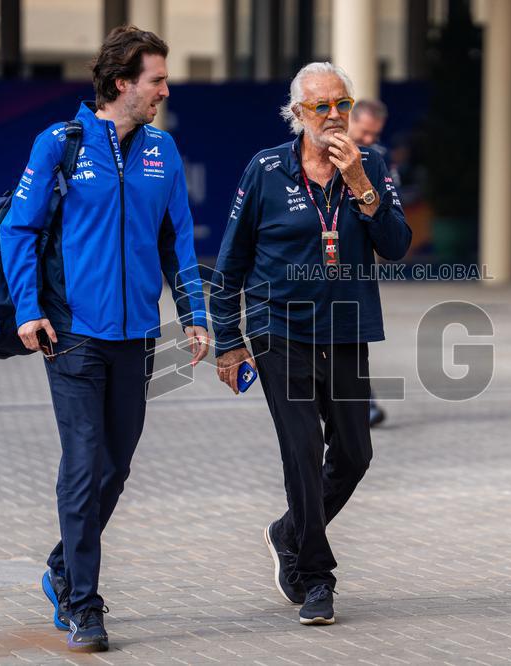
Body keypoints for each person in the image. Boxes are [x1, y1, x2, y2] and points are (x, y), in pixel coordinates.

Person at [0, 26, 209, 652]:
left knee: (115, 466)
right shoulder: (59, 144)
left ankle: (63, 566)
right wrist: (29, 311)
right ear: (122, 83)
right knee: (85, 462)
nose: (165, 91)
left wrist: (196, 314)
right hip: (72, 336)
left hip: (137, 335)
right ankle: (83, 603)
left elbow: (179, 243)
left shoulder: (162, 151)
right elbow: (19, 229)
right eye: (157, 81)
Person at [210, 62, 411, 625]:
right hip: (281, 330)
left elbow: (396, 246)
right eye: (320, 107)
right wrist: (229, 340)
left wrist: (363, 190)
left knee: (354, 453)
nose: (333, 117)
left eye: (341, 104)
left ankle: (288, 532)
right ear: (296, 113)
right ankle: (316, 576)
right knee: (301, 453)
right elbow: (230, 263)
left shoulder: (368, 165)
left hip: (347, 330)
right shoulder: (267, 169)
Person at [348, 99, 397, 427]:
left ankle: (362, 403)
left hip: (358, 266)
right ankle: (358, 403)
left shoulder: (377, 161)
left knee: (351, 338)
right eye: (364, 132)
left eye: (374, 134)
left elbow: (392, 215)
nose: (368, 140)